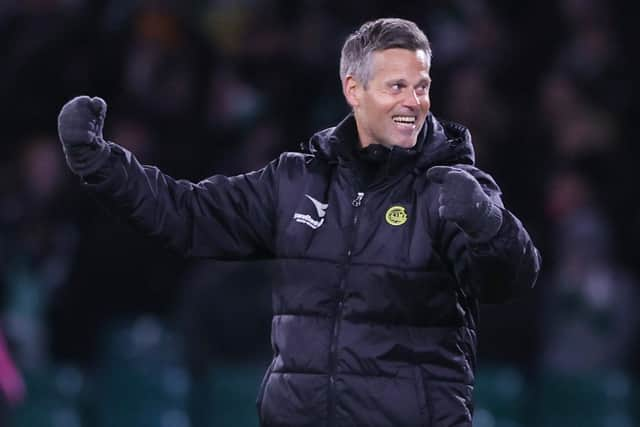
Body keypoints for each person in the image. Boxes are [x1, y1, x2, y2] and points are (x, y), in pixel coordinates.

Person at [57, 17, 540, 427]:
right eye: (397, 86)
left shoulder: (451, 186)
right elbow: (186, 214)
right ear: (354, 89)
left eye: (422, 86)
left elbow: (509, 278)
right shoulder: (295, 180)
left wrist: (486, 224)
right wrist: (100, 164)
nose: (414, 101)